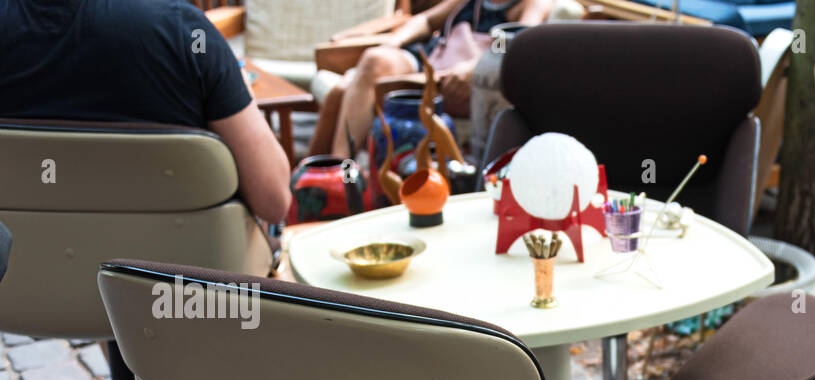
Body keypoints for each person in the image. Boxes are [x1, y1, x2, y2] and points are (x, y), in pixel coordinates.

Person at [0, 0, 290, 223]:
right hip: (179, 293)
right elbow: (275, 201)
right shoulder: (183, 30)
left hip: (21, 288)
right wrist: (239, 89)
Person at [323, 0, 554, 158]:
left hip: (466, 78)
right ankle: (342, 172)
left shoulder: (530, 4)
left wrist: (475, 66)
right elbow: (425, 21)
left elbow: (516, 38)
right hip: (433, 58)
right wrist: (395, 40)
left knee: (342, 90)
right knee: (374, 60)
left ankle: (337, 180)